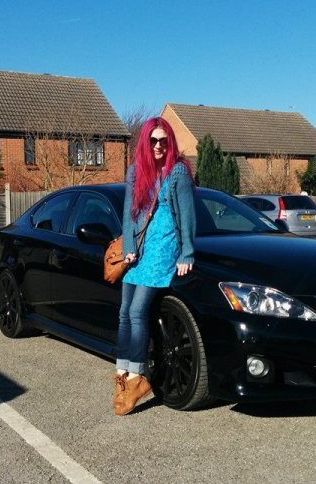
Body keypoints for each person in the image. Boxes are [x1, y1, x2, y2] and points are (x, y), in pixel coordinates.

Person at [113, 116, 196, 416]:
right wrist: (129, 249)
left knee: (137, 311)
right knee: (124, 312)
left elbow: (186, 214)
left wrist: (187, 252)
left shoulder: (178, 173)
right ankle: (122, 375)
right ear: (145, 143)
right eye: (153, 141)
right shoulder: (135, 172)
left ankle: (137, 377)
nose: (159, 146)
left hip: (163, 248)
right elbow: (128, 213)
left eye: (164, 140)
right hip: (139, 249)